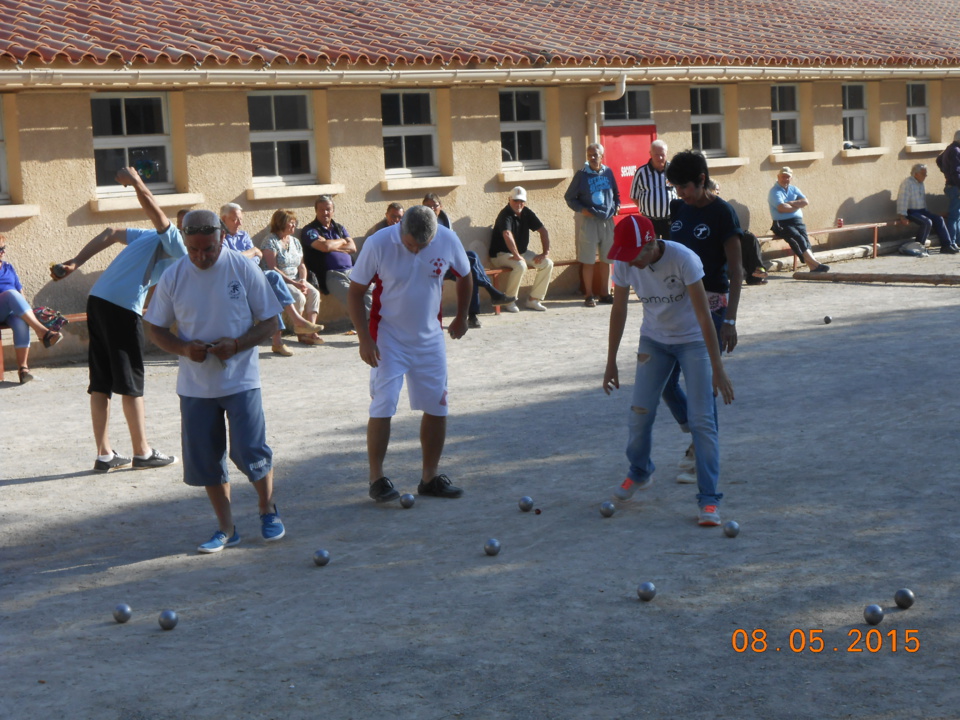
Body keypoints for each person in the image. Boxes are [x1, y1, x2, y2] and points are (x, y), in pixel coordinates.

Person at [144, 210, 285, 553]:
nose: (200, 257)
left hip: (241, 379)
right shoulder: (175, 275)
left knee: (250, 449)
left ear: (222, 237)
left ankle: (267, 509)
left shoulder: (243, 267)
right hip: (195, 386)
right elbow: (154, 327)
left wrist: (237, 344)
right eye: (193, 250)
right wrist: (182, 348)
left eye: (207, 248)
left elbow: (270, 321)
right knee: (207, 460)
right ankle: (226, 528)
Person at [602, 214, 735, 527]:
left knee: (702, 421)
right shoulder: (624, 262)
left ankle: (709, 500)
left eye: (634, 254)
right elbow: (619, 309)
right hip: (655, 340)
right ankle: (640, 471)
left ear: (650, 244)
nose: (629, 262)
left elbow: (704, 316)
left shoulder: (684, 259)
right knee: (639, 412)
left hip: (694, 342)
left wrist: (718, 368)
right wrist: (611, 360)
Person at [52, 167, 179, 473]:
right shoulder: (177, 243)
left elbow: (110, 233)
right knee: (131, 382)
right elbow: (154, 209)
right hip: (121, 308)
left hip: (97, 300)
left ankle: (104, 454)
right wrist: (138, 183)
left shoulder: (149, 238)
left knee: (101, 381)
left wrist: (75, 262)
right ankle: (142, 452)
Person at [347, 205, 471, 504]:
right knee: (384, 404)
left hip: (430, 337)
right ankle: (376, 479)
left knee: (438, 405)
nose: (416, 250)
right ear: (400, 227)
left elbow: (465, 276)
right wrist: (365, 339)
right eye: (411, 244)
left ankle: (430, 477)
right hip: (388, 338)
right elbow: (354, 291)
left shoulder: (447, 238)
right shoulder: (379, 242)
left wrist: (462, 316)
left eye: (423, 246)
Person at [662, 152, 743, 483]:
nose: (680, 193)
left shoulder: (723, 213)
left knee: (704, 385)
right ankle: (695, 430)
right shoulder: (679, 210)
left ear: (701, 180)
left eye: (684, 186)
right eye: (676, 187)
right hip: (679, 305)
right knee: (664, 379)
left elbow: (736, 271)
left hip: (712, 306)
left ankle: (703, 455)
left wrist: (731, 321)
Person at [220, 203, 323, 356]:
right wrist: (253, 252)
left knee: (272, 288)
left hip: (252, 276)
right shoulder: (220, 237)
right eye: (235, 220)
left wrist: (251, 254)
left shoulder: (244, 236)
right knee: (273, 279)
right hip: (234, 281)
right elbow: (230, 262)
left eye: (240, 219)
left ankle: (288, 333)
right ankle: (290, 329)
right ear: (224, 219)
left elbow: (257, 258)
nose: (240, 223)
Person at [422, 193, 515, 328]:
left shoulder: (444, 219)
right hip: (431, 265)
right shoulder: (421, 223)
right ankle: (492, 292)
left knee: (470, 269)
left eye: (434, 206)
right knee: (470, 260)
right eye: (427, 206)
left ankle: (473, 316)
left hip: (448, 262)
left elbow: (453, 244)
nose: (431, 209)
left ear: (440, 206)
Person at [301, 196, 373, 327]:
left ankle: (374, 325)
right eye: (321, 209)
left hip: (353, 271)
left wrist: (332, 245)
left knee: (371, 291)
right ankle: (371, 329)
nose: (325, 213)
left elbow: (352, 247)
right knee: (353, 298)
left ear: (333, 211)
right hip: (332, 275)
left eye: (328, 209)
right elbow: (324, 247)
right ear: (316, 211)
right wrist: (342, 241)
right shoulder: (310, 230)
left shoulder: (339, 228)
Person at [0, 235, 62, 383]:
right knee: (10, 294)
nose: (3, 252)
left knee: (21, 323)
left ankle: (23, 369)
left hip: (10, 310)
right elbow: (13, 294)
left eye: (3, 248)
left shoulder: (8, 267)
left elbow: (20, 293)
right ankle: (43, 332)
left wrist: (27, 313)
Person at [564, 142, 621, 306]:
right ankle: (588, 295)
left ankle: (605, 293)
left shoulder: (608, 172)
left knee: (607, 259)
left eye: (596, 155)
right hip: (590, 222)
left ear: (602, 156)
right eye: (590, 155)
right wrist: (582, 210)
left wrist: (617, 206)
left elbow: (616, 193)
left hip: (608, 222)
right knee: (588, 260)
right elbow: (569, 197)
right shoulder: (581, 175)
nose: (593, 158)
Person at [261, 209, 323, 346]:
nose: (294, 226)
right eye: (291, 223)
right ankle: (300, 333)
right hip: (281, 280)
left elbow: (301, 265)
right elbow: (273, 268)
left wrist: (302, 280)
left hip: (296, 279)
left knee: (314, 293)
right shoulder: (270, 241)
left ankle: (310, 330)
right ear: (281, 223)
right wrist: (295, 284)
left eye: (295, 223)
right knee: (299, 297)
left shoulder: (295, 241)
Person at [489, 186, 553, 313]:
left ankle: (533, 300)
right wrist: (516, 254)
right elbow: (507, 234)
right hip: (500, 255)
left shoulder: (527, 213)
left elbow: (543, 231)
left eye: (521, 201)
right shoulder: (505, 214)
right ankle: (509, 301)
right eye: (515, 201)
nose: (519, 204)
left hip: (521, 253)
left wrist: (545, 252)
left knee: (547, 263)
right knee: (520, 265)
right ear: (509, 200)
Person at [768, 167, 830, 272]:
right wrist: (798, 205)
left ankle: (813, 268)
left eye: (787, 177)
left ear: (791, 178)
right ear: (778, 177)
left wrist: (791, 203)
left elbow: (805, 202)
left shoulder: (794, 189)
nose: (785, 179)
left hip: (797, 222)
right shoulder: (774, 191)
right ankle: (816, 264)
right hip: (782, 224)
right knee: (797, 239)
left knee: (805, 241)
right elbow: (781, 208)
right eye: (783, 176)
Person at [896, 164, 959, 255]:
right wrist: (902, 216)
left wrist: (926, 211)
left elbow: (922, 200)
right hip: (911, 211)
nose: (925, 176)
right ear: (916, 174)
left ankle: (946, 245)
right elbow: (902, 199)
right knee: (927, 222)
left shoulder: (920, 183)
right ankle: (918, 247)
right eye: (923, 174)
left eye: (926, 174)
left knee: (939, 219)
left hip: (922, 210)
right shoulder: (907, 183)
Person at [629, 139, 677, 238]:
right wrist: (647, 208)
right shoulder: (641, 172)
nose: (660, 158)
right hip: (649, 221)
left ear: (666, 153)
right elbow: (634, 196)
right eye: (656, 155)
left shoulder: (674, 170)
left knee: (670, 249)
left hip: (670, 220)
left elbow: (682, 192)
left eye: (662, 155)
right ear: (650, 154)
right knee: (651, 250)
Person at [936, 130, 960, 250]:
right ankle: (951, 242)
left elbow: (939, 160)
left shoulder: (950, 148)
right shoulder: (956, 151)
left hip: (952, 186)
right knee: (954, 216)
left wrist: (945, 172)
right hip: (956, 187)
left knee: (957, 215)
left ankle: (956, 241)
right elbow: (956, 172)